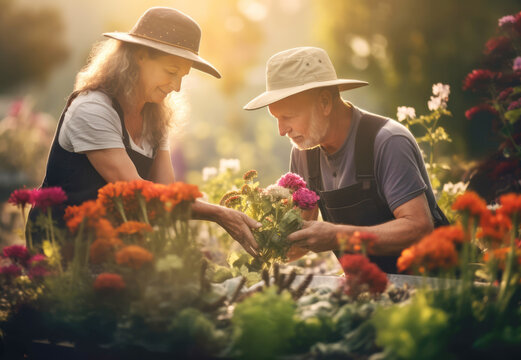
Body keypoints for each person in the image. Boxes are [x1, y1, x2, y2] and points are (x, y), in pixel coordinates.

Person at [27, 7, 259, 256]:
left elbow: (168, 195)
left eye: (183, 76)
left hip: (113, 251)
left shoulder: (155, 115)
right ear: (139, 56)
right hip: (60, 251)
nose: (178, 87)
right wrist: (217, 213)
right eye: (171, 72)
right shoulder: (93, 108)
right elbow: (135, 190)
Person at [244, 47, 448, 273]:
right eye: (276, 118)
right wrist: (267, 242)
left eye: (288, 117)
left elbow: (419, 228)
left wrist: (339, 237)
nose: (281, 130)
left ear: (324, 103)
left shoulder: (387, 142)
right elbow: (302, 242)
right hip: (368, 289)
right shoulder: (304, 152)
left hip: (433, 286)